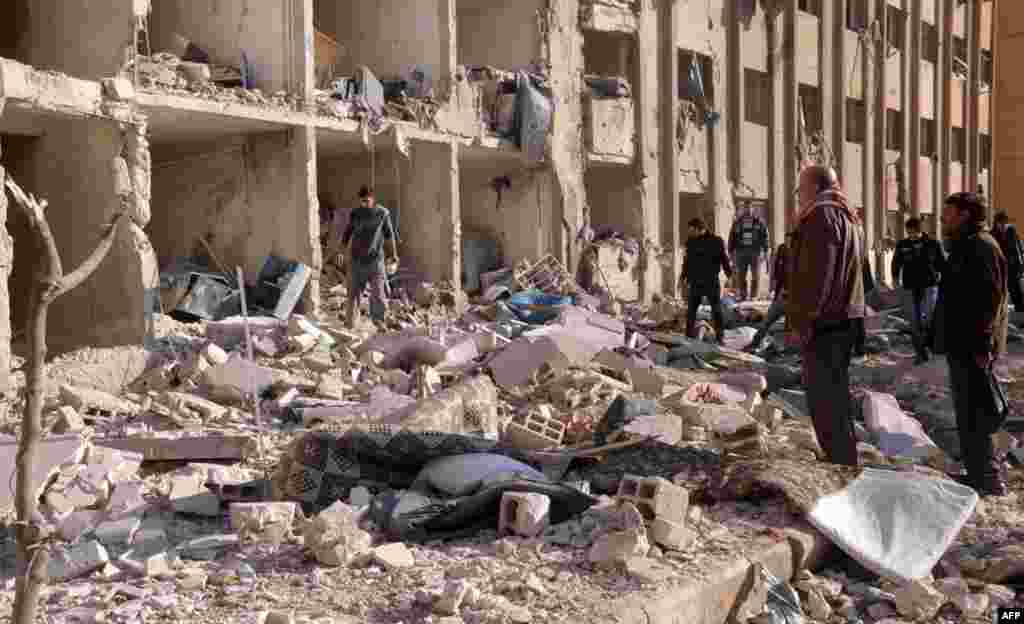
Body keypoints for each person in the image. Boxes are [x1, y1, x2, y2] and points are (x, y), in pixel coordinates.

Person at [787, 165, 865, 467]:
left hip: (825, 323)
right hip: (843, 320)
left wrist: (803, 321)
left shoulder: (821, 217)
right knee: (835, 396)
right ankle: (843, 457)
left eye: (800, 189)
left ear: (814, 188)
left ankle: (840, 462)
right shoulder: (848, 216)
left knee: (824, 399)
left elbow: (819, 274)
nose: (798, 196)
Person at [934, 192, 1009, 496]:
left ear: (964, 215)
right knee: (969, 412)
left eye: (948, 213)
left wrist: (980, 346)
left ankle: (988, 478)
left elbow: (989, 302)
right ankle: (978, 474)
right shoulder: (968, 246)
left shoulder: (981, 247)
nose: (942, 219)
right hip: (964, 344)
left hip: (972, 346)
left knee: (977, 412)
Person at [339, 186, 398, 328]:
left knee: (378, 293)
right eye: (362, 201)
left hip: (375, 260)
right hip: (356, 261)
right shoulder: (355, 214)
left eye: (367, 201)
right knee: (353, 294)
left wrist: (393, 255)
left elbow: (389, 236)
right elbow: (347, 234)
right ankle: (350, 325)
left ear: (373, 199)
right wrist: (341, 252)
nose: (364, 204)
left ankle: (379, 323)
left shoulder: (382, 214)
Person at [891, 217, 946, 364]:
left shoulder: (933, 244)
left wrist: (944, 281)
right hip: (910, 287)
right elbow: (896, 263)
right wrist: (895, 279)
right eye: (908, 232)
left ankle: (929, 346)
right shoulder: (903, 245)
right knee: (914, 322)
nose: (911, 235)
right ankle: (920, 352)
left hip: (929, 286)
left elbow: (942, 264)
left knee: (927, 318)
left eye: (913, 232)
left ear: (920, 230)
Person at [680, 217, 733, 344]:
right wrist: (683, 277)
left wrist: (730, 276)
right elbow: (687, 262)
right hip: (695, 281)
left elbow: (724, 259)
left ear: (700, 229)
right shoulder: (691, 241)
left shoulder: (716, 241)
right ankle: (689, 337)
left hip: (711, 281)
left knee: (716, 310)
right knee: (691, 311)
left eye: (692, 230)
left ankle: (720, 337)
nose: (690, 232)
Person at [745, 231, 795, 353]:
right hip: (781, 295)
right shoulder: (782, 250)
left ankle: (788, 349)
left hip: (793, 299)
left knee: (790, 327)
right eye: (786, 241)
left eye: (791, 242)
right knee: (766, 322)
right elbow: (777, 271)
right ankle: (755, 343)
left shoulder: (801, 255)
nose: (788, 244)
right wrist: (775, 288)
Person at [728, 202, 769, 301]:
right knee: (741, 275)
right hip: (741, 252)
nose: (748, 210)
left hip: (755, 252)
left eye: (749, 208)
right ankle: (743, 294)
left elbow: (765, 237)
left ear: (752, 209)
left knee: (756, 275)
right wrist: (730, 251)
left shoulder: (759, 222)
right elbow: (732, 237)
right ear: (743, 209)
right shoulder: (737, 222)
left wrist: (765, 250)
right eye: (746, 208)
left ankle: (754, 295)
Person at [991, 211, 1023, 309]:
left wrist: (1020, 263)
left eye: (1005, 222)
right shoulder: (992, 233)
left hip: (1012, 265)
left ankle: (1020, 307)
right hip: (999, 265)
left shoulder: (1011, 230)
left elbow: (1018, 247)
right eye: (1001, 222)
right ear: (996, 222)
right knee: (999, 289)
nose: (1004, 224)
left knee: (1015, 287)